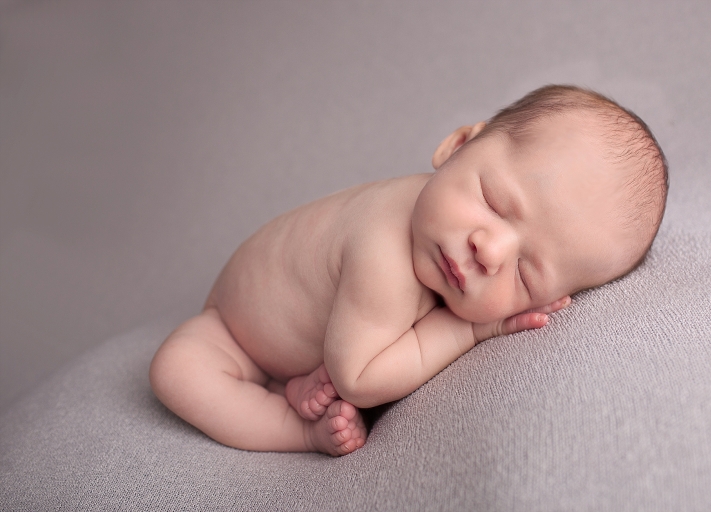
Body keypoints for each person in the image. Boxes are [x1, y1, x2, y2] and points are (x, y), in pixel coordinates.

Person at [149, 85, 668, 456]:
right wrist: (470, 327)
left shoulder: (439, 228)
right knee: (177, 371)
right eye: (493, 201)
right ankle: (293, 428)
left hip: (319, 341)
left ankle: (296, 385)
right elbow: (359, 377)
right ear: (457, 148)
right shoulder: (385, 251)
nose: (489, 250)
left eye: (525, 275)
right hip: (233, 331)